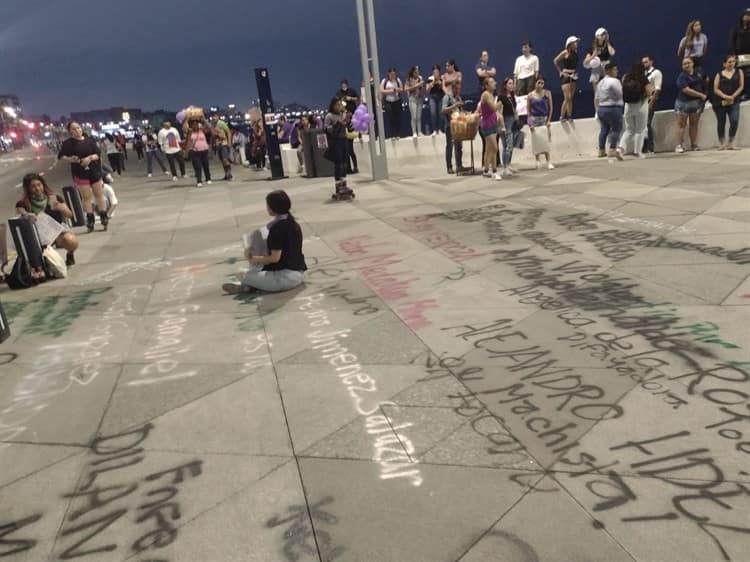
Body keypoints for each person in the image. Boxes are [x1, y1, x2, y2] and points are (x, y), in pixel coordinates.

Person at [222, 190, 306, 294]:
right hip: (298, 273)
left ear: (272, 207)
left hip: (285, 278)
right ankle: (250, 286)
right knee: (256, 270)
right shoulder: (292, 222)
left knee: (241, 274)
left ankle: (249, 285)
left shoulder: (278, 229)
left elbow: (274, 258)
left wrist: (252, 258)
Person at [16, 173, 78, 266]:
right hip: (39, 236)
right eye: (33, 186)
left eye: (39, 185)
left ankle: (70, 255)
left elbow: (69, 215)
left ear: (43, 185)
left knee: (71, 241)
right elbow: (19, 213)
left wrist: (62, 208)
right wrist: (27, 215)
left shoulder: (54, 198)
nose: (37, 189)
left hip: (57, 231)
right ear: (28, 188)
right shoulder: (23, 203)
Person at [57, 122, 109, 232]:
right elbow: (61, 156)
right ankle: (90, 219)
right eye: (74, 129)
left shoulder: (89, 140)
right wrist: (71, 159)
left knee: (99, 194)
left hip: (94, 170)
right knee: (86, 197)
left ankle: (104, 216)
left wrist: (89, 158)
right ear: (70, 131)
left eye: (78, 127)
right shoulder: (68, 143)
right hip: (80, 172)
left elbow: (97, 154)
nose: (77, 130)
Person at [674, 57, 708, 153]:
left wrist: (705, 93)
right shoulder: (681, 77)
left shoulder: (699, 73)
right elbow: (686, 90)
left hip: (696, 104)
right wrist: (701, 95)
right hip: (683, 104)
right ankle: (679, 145)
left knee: (694, 124)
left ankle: (693, 144)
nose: (686, 65)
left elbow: (705, 82)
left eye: (688, 63)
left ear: (693, 64)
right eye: (684, 64)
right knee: (681, 124)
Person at [619, 62, 652, 158]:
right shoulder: (643, 78)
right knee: (640, 130)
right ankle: (637, 152)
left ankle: (620, 148)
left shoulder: (626, 78)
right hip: (641, 106)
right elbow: (649, 92)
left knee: (629, 130)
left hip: (628, 107)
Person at [714, 54, 745, 150]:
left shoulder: (739, 72)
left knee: (734, 120)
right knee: (721, 122)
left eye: (733, 62)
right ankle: (722, 142)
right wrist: (724, 96)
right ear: (724, 64)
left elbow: (741, 86)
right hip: (721, 102)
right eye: (729, 62)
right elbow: (715, 88)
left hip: (734, 101)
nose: (731, 64)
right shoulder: (719, 74)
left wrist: (733, 96)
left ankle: (730, 142)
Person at [596, 62, 625, 160]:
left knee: (604, 129)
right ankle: (612, 148)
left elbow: (597, 97)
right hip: (613, 108)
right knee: (617, 128)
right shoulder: (615, 81)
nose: (617, 71)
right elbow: (619, 94)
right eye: (615, 69)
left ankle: (601, 150)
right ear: (609, 71)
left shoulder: (600, 83)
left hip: (602, 108)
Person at [584, 28, 616, 113]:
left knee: (609, 88)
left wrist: (608, 42)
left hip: (607, 66)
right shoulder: (592, 47)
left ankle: (609, 109)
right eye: (602, 34)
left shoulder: (608, 44)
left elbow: (612, 53)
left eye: (605, 34)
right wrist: (593, 56)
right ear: (597, 36)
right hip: (596, 66)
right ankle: (597, 112)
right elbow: (586, 61)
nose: (603, 36)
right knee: (597, 92)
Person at [325, 97, 352, 197]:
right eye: (337, 104)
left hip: (344, 140)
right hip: (335, 141)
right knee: (338, 163)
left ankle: (344, 184)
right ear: (333, 105)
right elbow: (327, 129)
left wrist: (348, 120)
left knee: (345, 163)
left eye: (340, 104)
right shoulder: (329, 116)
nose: (339, 106)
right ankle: (338, 186)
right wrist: (337, 123)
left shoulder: (342, 115)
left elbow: (347, 127)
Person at [527, 77, 555, 169]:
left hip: (544, 118)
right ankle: (537, 160)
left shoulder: (547, 93)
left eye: (542, 83)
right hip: (534, 119)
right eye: (538, 83)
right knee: (536, 141)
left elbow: (551, 108)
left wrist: (549, 120)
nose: (540, 85)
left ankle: (548, 161)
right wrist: (530, 123)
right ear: (535, 83)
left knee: (546, 140)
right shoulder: (530, 95)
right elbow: (528, 112)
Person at [478, 77, 503, 181]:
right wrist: (500, 103)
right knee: (494, 148)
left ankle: (486, 170)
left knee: (488, 149)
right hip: (487, 125)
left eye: (494, 81)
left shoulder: (491, 95)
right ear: (486, 85)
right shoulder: (486, 95)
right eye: (492, 82)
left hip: (493, 123)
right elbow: (493, 108)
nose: (495, 83)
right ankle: (494, 171)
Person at [554, 36, 580, 122]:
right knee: (567, 97)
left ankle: (569, 116)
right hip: (566, 75)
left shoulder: (575, 52)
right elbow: (555, 60)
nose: (576, 44)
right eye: (574, 42)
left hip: (573, 75)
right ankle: (562, 116)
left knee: (571, 98)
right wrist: (560, 72)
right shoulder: (565, 52)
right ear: (570, 44)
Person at [498, 78, 519, 177]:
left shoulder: (512, 96)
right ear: (505, 85)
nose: (512, 85)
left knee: (511, 145)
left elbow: (514, 109)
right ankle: (505, 167)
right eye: (510, 84)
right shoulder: (501, 97)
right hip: (505, 122)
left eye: (512, 83)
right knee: (507, 146)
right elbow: (499, 112)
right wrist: (502, 126)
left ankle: (509, 164)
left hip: (512, 121)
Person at [442, 81, 464, 174]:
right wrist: (455, 105)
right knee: (450, 146)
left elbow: (460, 109)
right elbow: (443, 110)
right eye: (457, 89)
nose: (458, 91)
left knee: (459, 145)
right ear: (453, 88)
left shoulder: (458, 97)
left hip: (458, 124)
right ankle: (449, 167)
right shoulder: (447, 97)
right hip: (449, 124)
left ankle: (459, 165)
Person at [642, 55, 663, 153]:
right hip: (643, 101)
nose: (644, 64)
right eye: (643, 62)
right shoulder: (643, 74)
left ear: (651, 61)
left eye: (646, 62)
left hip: (651, 100)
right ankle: (644, 147)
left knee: (647, 123)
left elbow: (657, 89)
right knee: (642, 125)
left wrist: (652, 102)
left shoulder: (656, 73)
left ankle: (650, 147)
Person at [729, 8, 750, 98]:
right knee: (739, 75)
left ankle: (747, 93)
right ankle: (739, 93)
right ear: (742, 17)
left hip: (749, 56)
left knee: (748, 75)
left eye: (749, 16)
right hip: (738, 56)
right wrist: (733, 54)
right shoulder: (736, 29)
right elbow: (732, 42)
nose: (747, 17)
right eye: (746, 15)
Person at [185, 121, 212, 187]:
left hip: (204, 151)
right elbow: (188, 142)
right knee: (198, 166)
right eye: (193, 125)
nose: (195, 126)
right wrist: (186, 152)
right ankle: (199, 181)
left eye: (196, 125)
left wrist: (203, 119)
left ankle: (208, 178)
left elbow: (209, 127)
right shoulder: (190, 132)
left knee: (206, 165)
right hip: (195, 152)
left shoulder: (202, 131)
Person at [380, 68, 403, 140]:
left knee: (397, 118)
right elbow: (381, 91)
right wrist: (390, 91)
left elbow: (402, 89)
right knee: (391, 117)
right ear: (388, 74)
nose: (392, 75)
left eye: (394, 73)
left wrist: (396, 90)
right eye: (391, 74)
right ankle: (392, 134)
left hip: (397, 101)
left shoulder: (398, 80)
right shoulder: (384, 81)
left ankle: (398, 134)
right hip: (388, 102)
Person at [405, 66, 425, 138]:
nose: (417, 73)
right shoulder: (408, 79)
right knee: (414, 116)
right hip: (412, 99)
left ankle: (419, 131)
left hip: (419, 98)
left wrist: (422, 85)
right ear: (412, 72)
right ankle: (414, 132)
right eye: (415, 72)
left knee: (419, 117)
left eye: (418, 71)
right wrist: (416, 85)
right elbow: (406, 89)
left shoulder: (420, 78)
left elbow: (423, 88)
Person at [426, 65, 445, 135]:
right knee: (433, 113)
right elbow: (427, 90)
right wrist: (433, 83)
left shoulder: (442, 78)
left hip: (440, 97)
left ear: (439, 72)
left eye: (437, 72)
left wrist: (440, 84)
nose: (436, 73)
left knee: (441, 114)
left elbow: (444, 89)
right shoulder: (430, 79)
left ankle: (440, 129)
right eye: (434, 72)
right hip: (432, 97)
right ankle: (434, 129)